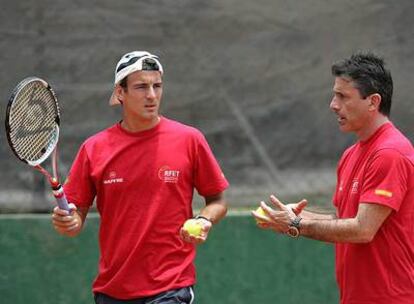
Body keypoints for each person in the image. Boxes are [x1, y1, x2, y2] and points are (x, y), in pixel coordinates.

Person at [52, 51, 229, 304]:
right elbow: (76, 215)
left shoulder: (190, 139)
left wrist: (203, 219)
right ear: (120, 92)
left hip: (171, 287)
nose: (152, 95)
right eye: (141, 86)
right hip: (111, 290)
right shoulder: (94, 148)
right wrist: (69, 223)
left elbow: (218, 201)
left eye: (157, 85)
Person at [252, 52, 414, 303]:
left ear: (373, 101)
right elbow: (345, 220)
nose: (333, 105)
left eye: (343, 96)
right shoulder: (350, 155)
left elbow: (362, 229)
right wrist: (297, 217)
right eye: (334, 95)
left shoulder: (390, 154)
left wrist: (296, 225)